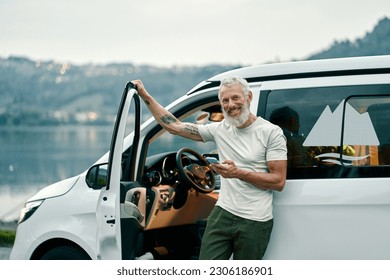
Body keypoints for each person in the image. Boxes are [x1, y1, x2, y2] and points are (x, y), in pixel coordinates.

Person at [131, 77, 287, 260]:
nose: (231, 105)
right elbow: (174, 126)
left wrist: (238, 173)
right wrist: (143, 93)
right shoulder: (220, 129)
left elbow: (278, 181)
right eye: (225, 101)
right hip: (223, 213)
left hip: (255, 220)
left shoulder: (271, 132)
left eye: (236, 98)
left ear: (249, 97)